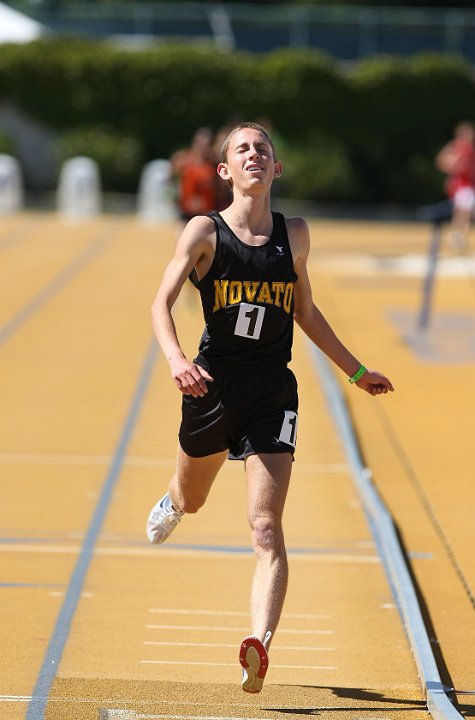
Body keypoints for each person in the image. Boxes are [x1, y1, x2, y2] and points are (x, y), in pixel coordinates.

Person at [147, 122, 394, 694]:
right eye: (242, 150)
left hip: (272, 393)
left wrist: (356, 372)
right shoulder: (203, 231)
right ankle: (174, 500)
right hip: (211, 387)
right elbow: (160, 303)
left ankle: (258, 645)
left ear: (276, 169)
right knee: (195, 498)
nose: (254, 156)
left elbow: (305, 311)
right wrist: (177, 360)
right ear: (225, 171)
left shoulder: (296, 235)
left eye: (264, 150)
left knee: (265, 526)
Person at [435, 121, 475, 249]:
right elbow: (444, 162)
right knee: (464, 213)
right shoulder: (460, 147)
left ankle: (458, 238)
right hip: (463, 186)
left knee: (462, 213)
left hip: (465, 185)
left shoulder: (462, 147)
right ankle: (458, 238)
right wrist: (455, 168)